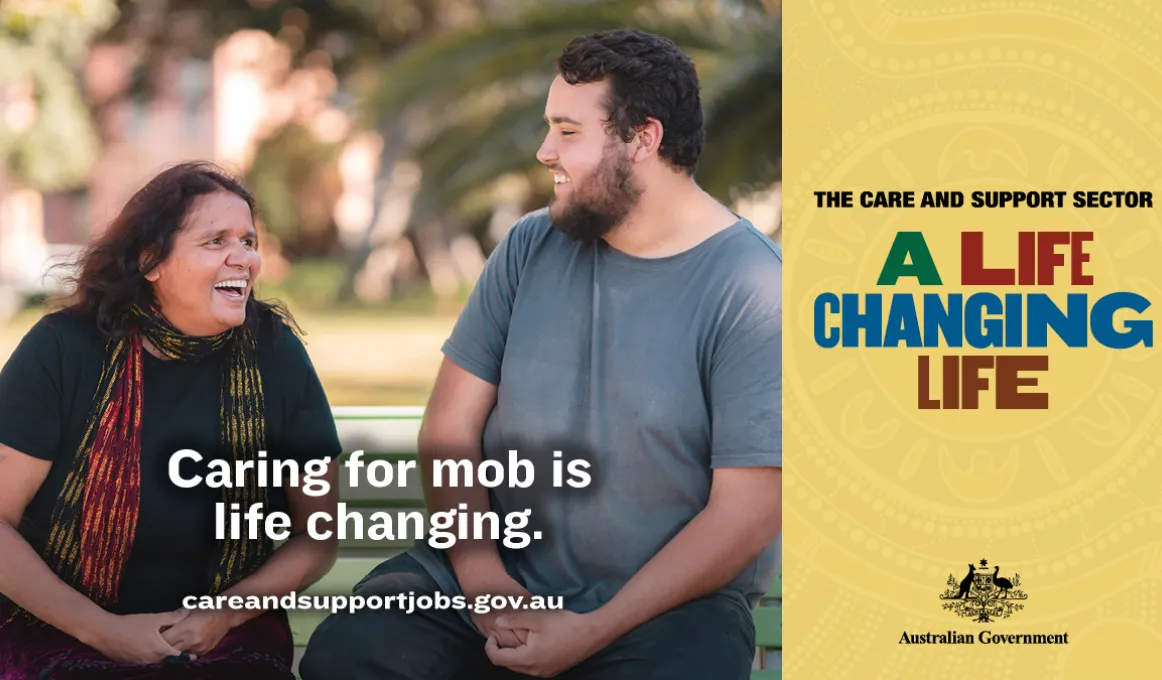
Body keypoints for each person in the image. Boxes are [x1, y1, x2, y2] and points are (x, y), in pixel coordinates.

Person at [301, 28, 781, 680]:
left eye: (568, 131)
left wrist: (590, 631)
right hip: (491, 582)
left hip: (663, 611)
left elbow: (745, 514)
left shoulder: (753, 287)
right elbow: (449, 428)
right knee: (351, 654)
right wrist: (484, 580)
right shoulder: (530, 247)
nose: (544, 151)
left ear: (643, 139)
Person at [0, 162, 342, 679]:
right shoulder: (63, 349)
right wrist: (102, 630)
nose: (243, 257)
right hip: (60, 627)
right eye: (215, 241)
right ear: (150, 262)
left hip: (223, 632)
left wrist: (222, 614)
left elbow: (316, 536)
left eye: (248, 241)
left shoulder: (275, 354)